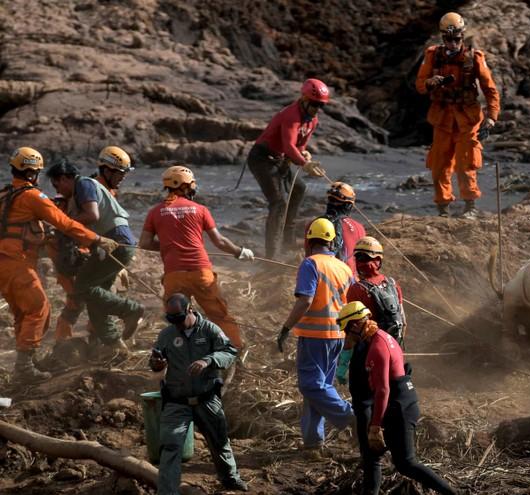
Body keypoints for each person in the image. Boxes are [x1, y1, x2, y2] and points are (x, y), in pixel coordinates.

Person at [336, 301, 469, 495]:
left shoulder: (378, 346)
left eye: (348, 329)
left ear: (358, 324)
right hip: (395, 402)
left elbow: (383, 390)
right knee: (372, 457)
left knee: (406, 463)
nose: (347, 334)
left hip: (399, 405)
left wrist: (376, 426)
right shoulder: (375, 336)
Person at [0, 147, 118, 382]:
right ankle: (23, 368)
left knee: (23, 313)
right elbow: (64, 222)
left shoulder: (4, 195)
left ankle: (26, 363)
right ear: (34, 173)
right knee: (39, 309)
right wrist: (95, 239)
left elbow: (17, 229)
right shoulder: (32, 196)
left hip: (5, 265)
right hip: (18, 263)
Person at [146, 293, 247, 495]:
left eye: (181, 318)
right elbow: (155, 363)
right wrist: (157, 363)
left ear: (190, 309)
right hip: (176, 401)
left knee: (219, 439)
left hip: (206, 398)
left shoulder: (209, 330)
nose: (178, 324)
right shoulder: (167, 334)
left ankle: (230, 478)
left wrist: (209, 360)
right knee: (170, 447)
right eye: (173, 320)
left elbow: (230, 352)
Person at [140, 166, 254, 350]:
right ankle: (234, 351)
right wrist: (239, 252)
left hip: (173, 276)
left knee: (178, 318)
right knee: (219, 316)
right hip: (201, 273)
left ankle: (183, 353)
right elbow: (220, 241)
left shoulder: (155, 212)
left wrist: (169, 248)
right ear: (184, 186)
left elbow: (144, 243)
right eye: (191, 186)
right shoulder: (200, 209)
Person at [46, 159, 144, 361]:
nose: (57, 190)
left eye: (57, 185)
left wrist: (62, 224)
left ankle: (131, 310)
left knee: (82, 287)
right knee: (94, 301)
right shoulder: (76, 196)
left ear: (64, 178)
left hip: (116, 241)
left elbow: (92, 214)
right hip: (113, 243)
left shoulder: (84, 184)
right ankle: (115, 345)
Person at [277, 217, 354, 455]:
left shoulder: (310, 264)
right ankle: (312, 442)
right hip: (338, 336)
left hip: (315, 335)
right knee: (320, 388)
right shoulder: (344, 267)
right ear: (331, 242)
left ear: (308, 240)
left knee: (311, 386)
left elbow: (306, 300)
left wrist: (286, 327)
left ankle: (351, 416)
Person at [416, 12, 501, 218]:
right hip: (443, 118)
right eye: (448, 39)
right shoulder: (432, 55)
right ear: (442, 37)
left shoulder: (474, 58)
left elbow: (490, 90)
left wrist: (491, 117)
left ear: (462, 37)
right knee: (439, 165)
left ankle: (470, 207)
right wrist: (430, 82)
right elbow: (419, 85)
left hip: (467, 119)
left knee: (466, 164)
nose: (452, 43)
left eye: (456, 39)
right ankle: (443, 208)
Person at [247, 78, 329, 258]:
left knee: (299, 188)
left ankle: (288, 239)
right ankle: (272, 255)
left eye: (320, 106)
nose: (316, 109)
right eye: (314, 104)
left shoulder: (312, 121)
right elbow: (288, 146)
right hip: (261, 158)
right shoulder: (292, 115)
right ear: (304, 99)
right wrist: (304, 164)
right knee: (278, 203)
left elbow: (298, 147)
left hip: (279, 159)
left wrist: (304, 154)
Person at [336, 236, 406, 385]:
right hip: (393, 346)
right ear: (379, 261)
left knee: (367, 397)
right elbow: (403, 321)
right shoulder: (392, 284)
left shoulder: (357, 290)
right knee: (388, 390)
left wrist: (343, 365)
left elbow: (352, 331)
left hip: (368, 352)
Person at [305, 182, 366, 274]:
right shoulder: (359, 228)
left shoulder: (313, 224)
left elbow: (309, 255)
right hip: (349, 281)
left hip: (319, 279)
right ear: (349, 205)